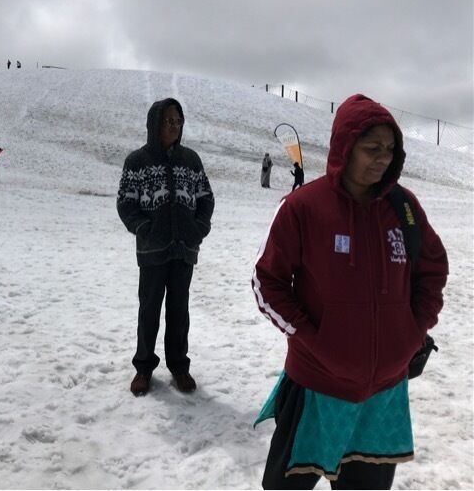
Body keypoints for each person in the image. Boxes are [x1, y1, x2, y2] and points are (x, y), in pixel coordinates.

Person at [251, 95, 448, 490]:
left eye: (390, 148)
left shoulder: (404, 208)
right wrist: (312, 340)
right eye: (371, 148)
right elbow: (267, 282)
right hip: (315, 387)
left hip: (383, 397)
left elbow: (432, 270)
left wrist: (412, 332)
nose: (383, 158)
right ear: (345, 147)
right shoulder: (303, 207)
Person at [115, 98, 213, 396]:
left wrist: (198, 229)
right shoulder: (137, 161)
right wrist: (144, 228)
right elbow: (126, 203)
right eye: (169, 120)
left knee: (179, 310)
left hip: (184, 250)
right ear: (155, 123)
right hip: (152, 251)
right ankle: (143, 368)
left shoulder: (191, 160)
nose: (174, 126)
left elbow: (206, 198)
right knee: (149, 310)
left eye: (178, 121)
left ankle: (179, 366)